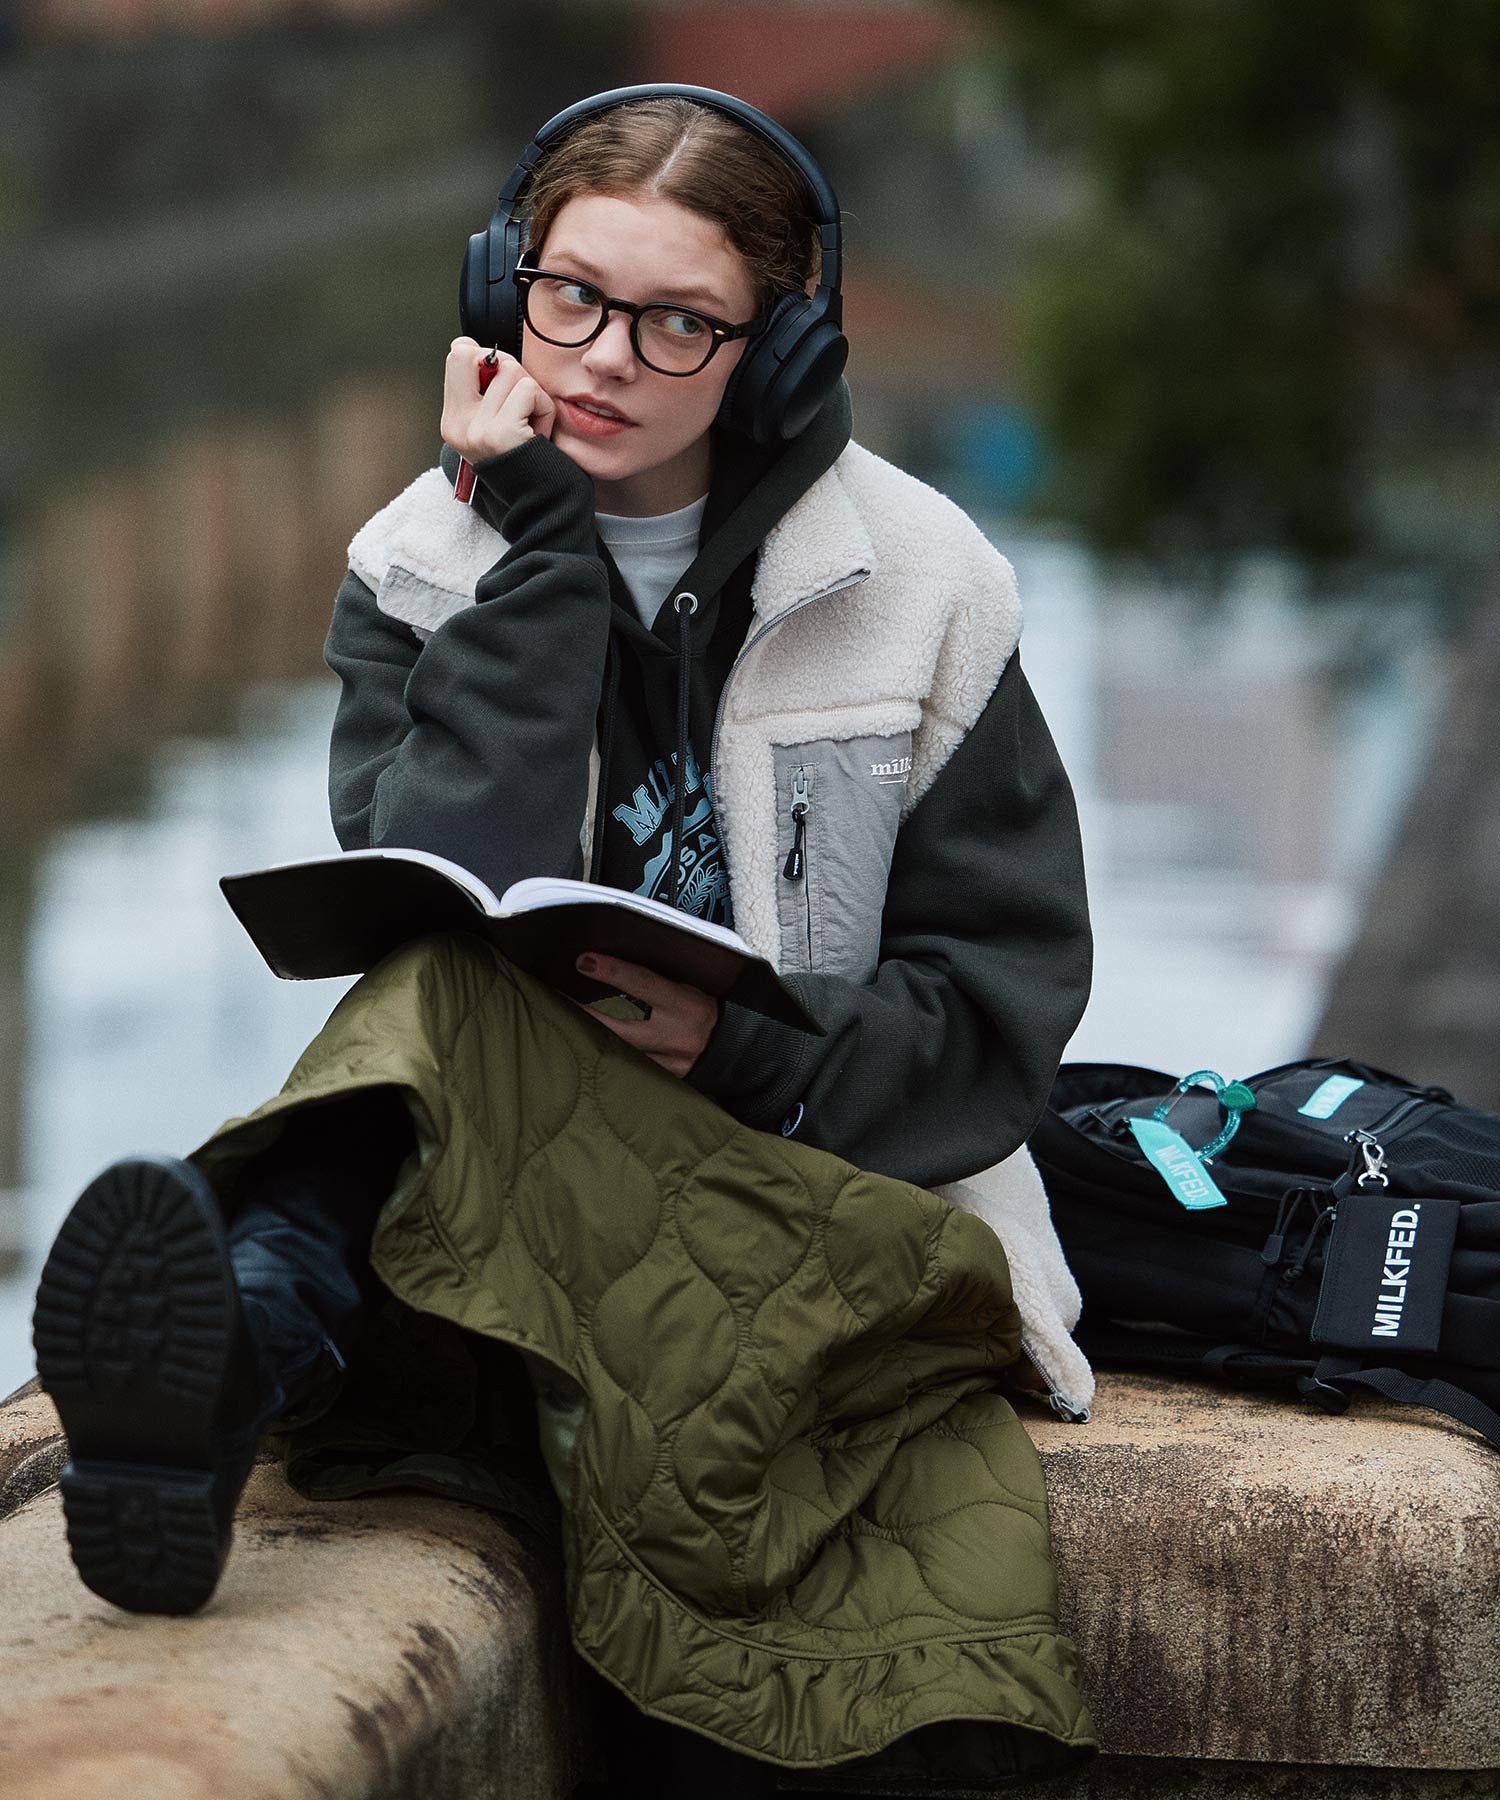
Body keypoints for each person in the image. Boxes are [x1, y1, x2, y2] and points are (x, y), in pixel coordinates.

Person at [32, 86, 1097, 1797]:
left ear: (779, 354)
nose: (604, 359)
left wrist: (740, 1045)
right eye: (572, 295)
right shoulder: (420, 565)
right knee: (439, 974)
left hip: (819, 1186)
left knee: (430, 1011)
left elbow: (1000, 1011)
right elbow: (449, 883)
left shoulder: (925, 586)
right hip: (519, 1197)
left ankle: (255, 1328)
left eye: (681, 323)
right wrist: (531, 550)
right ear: (499, 289)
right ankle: (244, 1335)